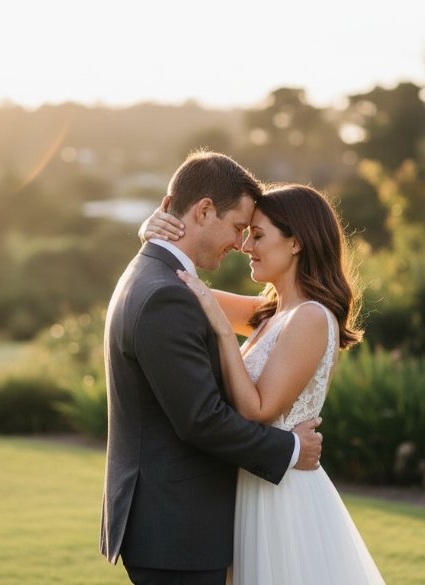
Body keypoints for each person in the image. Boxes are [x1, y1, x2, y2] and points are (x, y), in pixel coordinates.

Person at [142, 183, 386, 584]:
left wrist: (224, 334)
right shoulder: (268, 314)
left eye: (257, 235)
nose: (244, 246)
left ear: (296, 244)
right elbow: (177, 283)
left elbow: (258, 409)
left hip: (282, 496)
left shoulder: (310, 317)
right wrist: (151, 234)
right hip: (253, 484)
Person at [100, 151, 325, 585]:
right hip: (177, 528)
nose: (243, 245)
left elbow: (270, 317)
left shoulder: (158, 280)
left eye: (255, 234)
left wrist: (154, 233)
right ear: (204, 210)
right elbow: (201, 420)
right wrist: (292, 449)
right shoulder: (167, 293)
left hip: (182, 523)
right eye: (241, 229)